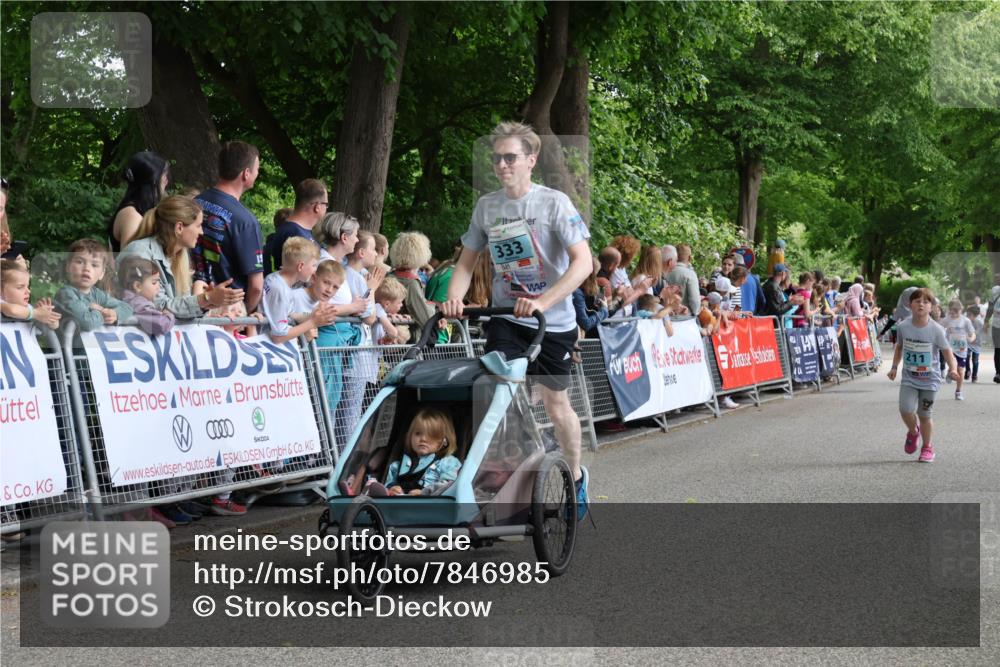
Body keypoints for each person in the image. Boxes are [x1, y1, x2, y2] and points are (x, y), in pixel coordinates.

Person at [441, 120, 593, 519]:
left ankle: (575, 478)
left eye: (510, 157)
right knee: (497, 396)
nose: (502, 165)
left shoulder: (554, 203)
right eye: (496, 158)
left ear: (531, 159)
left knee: (557, 405)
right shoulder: (487, 206)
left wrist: (544, 300)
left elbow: (584, 263)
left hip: (552, 321)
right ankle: (505, 479)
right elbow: (465, 263)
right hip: (507, 318)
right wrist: (453, 299)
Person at [119, 195, 245, 317]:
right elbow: (156, 309)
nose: (201, 232)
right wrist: (205, 298)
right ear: (179, 227)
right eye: (198, 225)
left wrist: (208, 302)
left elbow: (178, 310)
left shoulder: (180, 256)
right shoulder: (139, 252)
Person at [887, 288, 959, 462]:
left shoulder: (937, 330)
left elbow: (947, 352)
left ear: (932, 307)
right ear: (909, 304)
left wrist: (953, 368)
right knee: (905, 409)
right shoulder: (903, 326)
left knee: (925, 415)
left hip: (930, 379)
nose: (921, 304)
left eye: (926, 302)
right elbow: (899, 347)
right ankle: (913, 432)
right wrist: (894, 366)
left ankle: (927, 447)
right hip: (909, 377)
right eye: (917, 301)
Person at [192, 141, 265, 314]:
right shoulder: (245, 221)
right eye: (257, 169)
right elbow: (256, 286)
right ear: (246, 174)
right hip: (226, 313)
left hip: (191, 302)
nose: (257, 173)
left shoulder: (193, 203)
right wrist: (242, 314)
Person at [261, 237, 335, 344]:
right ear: (300, 266)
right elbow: (278, 336)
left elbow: (289, 314)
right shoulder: (279, 288)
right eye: (314, 265)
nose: (315, 271)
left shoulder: (275, 279)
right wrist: (312, 322)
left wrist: (314, 316)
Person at [54, 239, 133, 331]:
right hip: (69, 345)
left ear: (102, 274)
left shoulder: (98, 294)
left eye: (94, 265)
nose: (87, 268)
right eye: (80, 262)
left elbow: (127, 308)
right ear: (68, 267)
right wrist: (102, 312)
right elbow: (87, 322)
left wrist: (115, 314)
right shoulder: (66, 294)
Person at [385, 408, 461, 496]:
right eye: (418, 433)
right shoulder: (397, 466)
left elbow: (450, 486)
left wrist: (425, 493)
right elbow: (388, 485)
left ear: (444, 441)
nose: (423, 439)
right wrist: (393, 489)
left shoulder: (448, 463)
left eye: (431, 434)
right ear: (410, 437)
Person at [107, 151, 170, 253]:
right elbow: (130, 262)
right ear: (154, 180)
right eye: (164, 175)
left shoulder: (142, 210)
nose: (167, 180)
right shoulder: (131, 216)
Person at [263, 179, 327, 275]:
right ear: (317, 207)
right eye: (326, 204)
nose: (326, 208)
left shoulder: (297, 230)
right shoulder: (294, 233)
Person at [389, 231, 437, 335]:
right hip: (408, 340)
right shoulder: (410, 283)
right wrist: (435, 308)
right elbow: (426, 317)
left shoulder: (390, 276)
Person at [118, 256, 175, 335]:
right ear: (137, 286)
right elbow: (161, 324)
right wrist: (169, 315)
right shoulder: (138, 304)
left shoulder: (128, 300)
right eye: (154, 282)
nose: (158, 287)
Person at [0, 259, 60, 328]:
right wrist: (36, 313)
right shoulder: (2, 303)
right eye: (20, 287)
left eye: (27, 286)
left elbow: (55, 326)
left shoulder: (28, 308)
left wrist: (49, 316)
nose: (28, 291)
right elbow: (12, 310)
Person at [939, 299, 975, 400]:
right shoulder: (947, 319)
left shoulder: (966, 321)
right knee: (953, 366)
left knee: (961, 370)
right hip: (950, 348)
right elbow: (938, 328)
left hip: (962, 349)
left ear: (961, 310)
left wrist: (971, 338)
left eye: (956, 312)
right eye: (951, 312)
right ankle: (950, 371)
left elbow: (972, 333)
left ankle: (958, 391)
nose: (953, 314)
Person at [665, 244, 700, 316]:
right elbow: (694, 300)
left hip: (666, 315)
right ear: (689, 258)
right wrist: (695, 312)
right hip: (684, 316)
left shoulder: (665, 271)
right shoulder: (690, 274)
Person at [964, 304, 983, 383]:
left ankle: (974, 375)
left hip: (976, 343)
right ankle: (967, 370)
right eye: (967, 314)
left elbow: (976, 333)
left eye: (970, 315)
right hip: (968, 343)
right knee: (966, 357)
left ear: (975, 315)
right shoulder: (966, 321)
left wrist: (969, 335)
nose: (968, 316)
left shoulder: (979, 323)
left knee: (975, 360)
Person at [986, 284, 1000, 383]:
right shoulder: (995, 290)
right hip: (997, 325)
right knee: (998, 349)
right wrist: (986, 320)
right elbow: (990, 307)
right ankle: (998, 373)